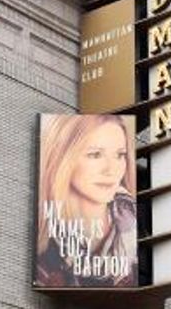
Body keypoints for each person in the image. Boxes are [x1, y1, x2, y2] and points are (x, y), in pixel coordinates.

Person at [35, 113, 137, 287]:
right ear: (63, 158)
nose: (111, 170)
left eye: (120, 155)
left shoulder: (131, 221)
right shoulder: (44, 247)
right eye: (95, 154)